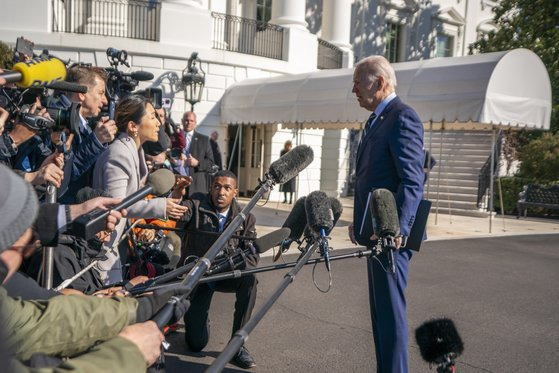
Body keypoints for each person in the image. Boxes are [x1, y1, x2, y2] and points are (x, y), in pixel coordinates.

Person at [0, 163, 166, 372]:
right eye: (27, 245)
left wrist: (135, 309)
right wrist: (128, 353)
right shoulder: (62, 255)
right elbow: (44, 320)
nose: (29, 252)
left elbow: (37, 321)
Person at [349, 56, 424, 373]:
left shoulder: (402, 117)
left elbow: (411, 180)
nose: (353, 88)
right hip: (376, 233)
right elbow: (371, 178)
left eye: (358, 81)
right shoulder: (377, 120)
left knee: (391, 315)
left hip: (391, 238)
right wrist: (360, 222)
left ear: (379, 82)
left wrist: (396, 229)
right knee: (380, 315)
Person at [92, 95, 188, 284]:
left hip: (116, 243)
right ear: (133, 126)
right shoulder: (119, 154)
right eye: (152, 116)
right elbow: (116, 204)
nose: (159, 123)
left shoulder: (135, 151)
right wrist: (160, 206)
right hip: (103, 243)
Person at [176, 170, 258, 369]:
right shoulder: (194, 205)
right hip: (198, 278)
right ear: (210, 188)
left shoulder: (246, 218)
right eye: (217, 186)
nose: (221, 192)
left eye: (227, 188)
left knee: (250, 280)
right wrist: (177, 194)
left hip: (225, 274)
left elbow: (253, 258)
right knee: (195, 344)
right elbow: (174, 217)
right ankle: (200, 320)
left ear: (235, 192)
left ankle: (237, 346)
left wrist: (231, 263)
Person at [171, 111, 215, 197]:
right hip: (176, 184)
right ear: (182, 121)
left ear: (195, 123)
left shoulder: (204, 140)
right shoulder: (173, 137)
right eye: (187, 120)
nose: (189, 123)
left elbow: (210, 163)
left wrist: (197, 163)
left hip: (196, 187)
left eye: (192, 121)